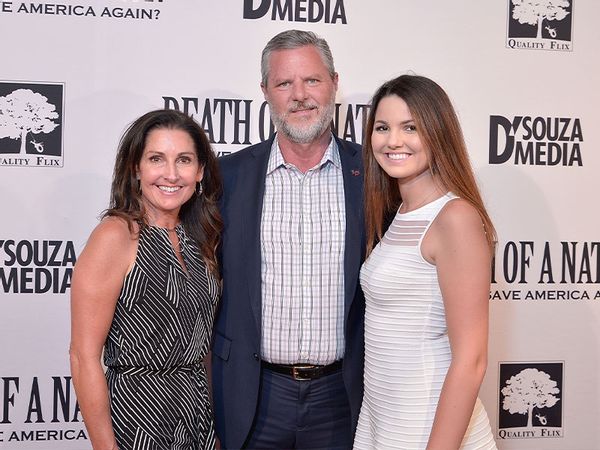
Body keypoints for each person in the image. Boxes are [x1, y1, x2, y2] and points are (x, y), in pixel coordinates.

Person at [211, 30, 365, 449]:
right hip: (253, 394)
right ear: (265, 92)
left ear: (334, 82)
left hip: (343, 394)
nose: (299, 95)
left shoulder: (372, 176)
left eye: (312, 80)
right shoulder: (227, 177)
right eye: (284, 83)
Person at [353, 75, 498, 450]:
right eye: (382, 128)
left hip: (428, 424)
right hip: (383, 417)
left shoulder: (455, 217)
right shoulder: (400, 212)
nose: (393, 141)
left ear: (438, 133)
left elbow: (473, 358)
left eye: (410, 127)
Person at [69, 109, 222, 450]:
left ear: (199, 172)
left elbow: (203, 345)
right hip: (137, 418)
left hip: (197, 418)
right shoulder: (116, 235)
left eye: (183, 160)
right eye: (156, 159)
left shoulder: (198, 238)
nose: (171, 174)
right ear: (136, 168)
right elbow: (83, 356)